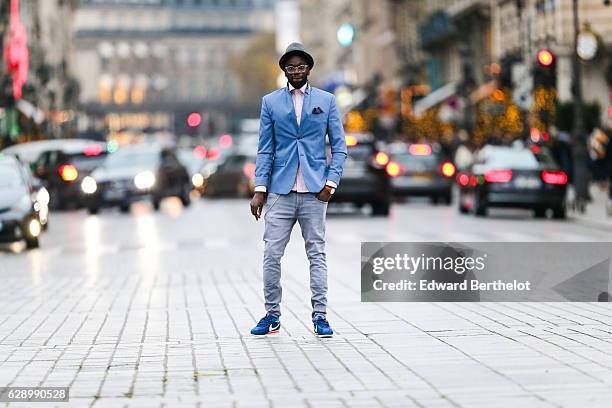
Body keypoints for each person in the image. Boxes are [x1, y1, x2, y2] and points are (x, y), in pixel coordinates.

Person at [249, 43, 347, 337]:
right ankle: (271, 315)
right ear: (284, 71)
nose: (296, 72)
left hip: (315, 190)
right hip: (280, 190)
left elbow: (339, 148)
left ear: (309, 69)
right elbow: (265, 150)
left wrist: (330, 184)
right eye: (290, 68)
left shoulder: (326, 101)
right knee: (271, 254)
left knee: (316, 253)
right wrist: (260, 189)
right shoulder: (270, 102)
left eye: (301, 67)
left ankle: (320, 316)